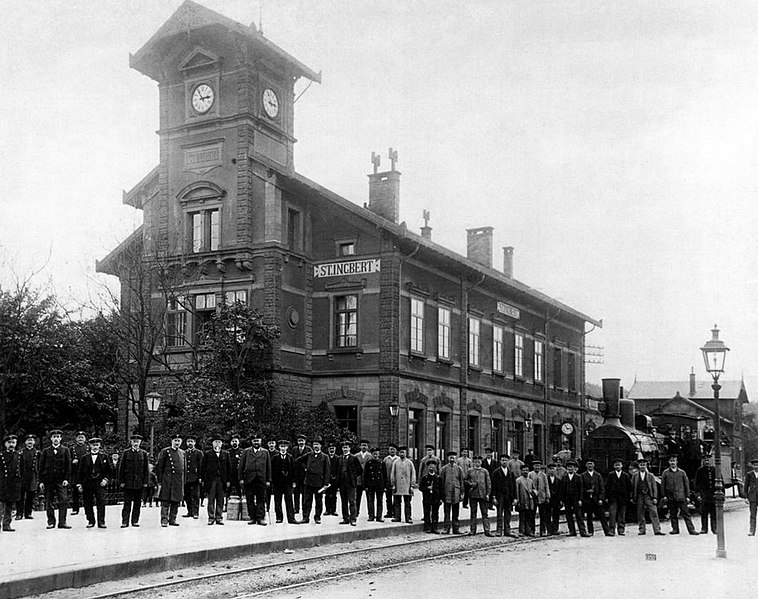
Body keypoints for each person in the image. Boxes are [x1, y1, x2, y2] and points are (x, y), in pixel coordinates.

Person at [38, 429, 72, 529]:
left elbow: (68, 466)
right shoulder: (45, 451)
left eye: (58, 437)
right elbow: (41, 467)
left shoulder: (65, 450)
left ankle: (62, 522)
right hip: (48, 480)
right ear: (51, 438)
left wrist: (66, 479)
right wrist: (41, 481)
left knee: (64, 500)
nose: (56, 439)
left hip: (61, 480)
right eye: (54, 437)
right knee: (49, 501)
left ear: (61, 438)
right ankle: (51, 522)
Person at [77, 437, 112, 529]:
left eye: (97, 445)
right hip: (87, 483)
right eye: (93, 445)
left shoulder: (104, 456)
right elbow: (80, 472)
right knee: (87, 503)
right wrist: (79, 484)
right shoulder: (84, 458)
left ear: (99, 445)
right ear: (90, 446)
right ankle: (90, 521)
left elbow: (110, 470)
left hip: (100, 484)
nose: (95, 447)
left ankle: (101, 522)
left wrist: (105, 479)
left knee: (101, 502)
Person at [661, 455, 699, 535]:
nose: (672, 463)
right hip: (671, 497)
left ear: (677, 462)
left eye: (674, 461)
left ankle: (691, 530)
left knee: (686, 514)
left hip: (681, 497)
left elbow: (686, 485)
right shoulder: (665, 473)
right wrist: (664, 495)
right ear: (669, 462)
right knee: (673, 514)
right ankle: (675, 529)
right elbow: (663, 485)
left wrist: (688, 496)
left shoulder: (682, 473)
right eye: (671, 461)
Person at [239, 433, 271, 526]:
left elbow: (268, 467)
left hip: (261, 479)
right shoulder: (246, 452)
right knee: (250, 499)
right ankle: (252, 517)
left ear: (261, 441)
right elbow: (241, 466)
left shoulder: (265, 452)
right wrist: (241, 478)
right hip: (249, 479)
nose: (256, 442)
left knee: (261, 499)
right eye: (254, 441)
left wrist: (268, 480)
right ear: (251, 442)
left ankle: (260, 518)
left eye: (258, 440)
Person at [118, 433, 149, 528]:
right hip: (128, 482)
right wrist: (122, 481)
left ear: (140, 443)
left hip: (139, 482)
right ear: (131, 442)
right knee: (127, 503)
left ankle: (135, 520)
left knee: (137, 503)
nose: (136, 443)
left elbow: (145, 469)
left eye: (137, 442)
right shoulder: (126, 453)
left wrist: (145, 482)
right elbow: (121, 468)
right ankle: (125, 521)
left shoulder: (143, 454)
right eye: (134, 442)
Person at [200, 434, 232, 525]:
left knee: (220, 499)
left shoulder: (226, 454)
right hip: (211, 480)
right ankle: (211, 517)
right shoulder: (207, 454)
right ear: (212, 443)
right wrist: (202, 479)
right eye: (215, 442)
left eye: (219, 442)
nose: (217, 443)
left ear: (221, 444)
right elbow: (203, 467)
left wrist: (228, 480)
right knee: (211, 499)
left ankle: (219, 517)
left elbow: (229, 469)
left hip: (222, 480)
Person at [155, 434, 185, 527]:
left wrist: (184, 481)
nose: (177, 443)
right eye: (175, 440)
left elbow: (184, 468)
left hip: (178, 480)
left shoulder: (182, 453)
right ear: (172, 441)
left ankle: (173, 519)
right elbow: (159, 467)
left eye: (178, 441)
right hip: (167, 480)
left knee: (176, 500)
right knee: (165, 500)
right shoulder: (165, 451)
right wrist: (160, 480)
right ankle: (164, 519)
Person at [299, 436, 330, 524]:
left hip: (319, 483)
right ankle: (305, 517)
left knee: (319, 501)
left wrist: (326, 483)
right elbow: (298, 461)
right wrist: (305, 468)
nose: (316, 446)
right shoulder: (309, 455)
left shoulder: (325, 457)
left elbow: (327, 471)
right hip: (309, 482)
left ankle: (317, 517)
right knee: (307, 501)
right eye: (314, 444)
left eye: (318, 444)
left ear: (321, 446)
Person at [631, 458, 664, 536]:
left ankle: (657, 530)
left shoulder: (650, 475)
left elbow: (654, 487)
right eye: (641, 465)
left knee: (654, 512)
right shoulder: (635, 476)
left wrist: (655, 497)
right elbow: (632, 487)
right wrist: (632, 497)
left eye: (644, 465)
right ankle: (642, 529)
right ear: (638, 466)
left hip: (649, 496)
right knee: (640, 513)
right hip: (639, 496)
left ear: (646, 466)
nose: (642, 466)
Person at [580, 458, 610, 536]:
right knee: (589, 516)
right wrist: (587, 491)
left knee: (602, 516)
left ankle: (607, 531)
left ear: (594, 465)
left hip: (597, 499)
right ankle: (590, 531)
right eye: (588, 464)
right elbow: (581, 488)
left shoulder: (598, 475)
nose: (590, 465)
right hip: (588, 499)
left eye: (591, 464)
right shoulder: (583, 476)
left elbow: (602, 488)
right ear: (586, 465)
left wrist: (601, 498)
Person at [491, 454, 517, 537]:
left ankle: (507, 530)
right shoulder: (496, 472)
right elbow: (493, 486)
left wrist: (515, 498)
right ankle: (499, 530)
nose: (504, 462)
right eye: (502, 460)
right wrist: (494, 497)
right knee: (499, 513)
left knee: (508, 513)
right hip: (500, 496)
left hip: (508, 496)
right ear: (500, 461)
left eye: (506, 460)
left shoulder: (511, 473)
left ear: (508, 461)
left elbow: (514, 486)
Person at [271, 439, 297, 524]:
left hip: (288, 483)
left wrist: (293, 482)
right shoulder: (275, 458)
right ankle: (279, 517)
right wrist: (273, 482)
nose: (283, 448)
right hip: (278, 483)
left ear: (287, 447)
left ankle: (291, 518)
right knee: (277, 501)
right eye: (281, 446)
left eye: (284, 447)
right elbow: (272, 471)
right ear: (278, 447)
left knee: (289, 500)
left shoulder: (290, 457)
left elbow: (294, 471)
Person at [336, 440, 361, 525]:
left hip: (351, 484)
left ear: (349, 448)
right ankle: (345, 518)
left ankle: (353, 519)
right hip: (342, 484)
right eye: (343, 448)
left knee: (352, 501)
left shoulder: (353, 458)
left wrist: (353, 477)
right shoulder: (339, 458)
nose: (345, 449)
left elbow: (360, 470)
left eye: (346, 447)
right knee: (344, 502)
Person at [466, 455, 492, 536]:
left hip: (483, 495)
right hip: (473, 495)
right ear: (473, 462)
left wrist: (488, 494)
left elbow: (488, 483)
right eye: (475, 462)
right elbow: (465, 481)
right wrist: (470, 484)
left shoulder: (485, 471)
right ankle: (472, 530)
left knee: (485, 513)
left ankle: (487, 530)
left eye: (479, 462)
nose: (477, 463)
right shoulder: (470, 471)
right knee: (473, 513)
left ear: (481, 462)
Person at [605, 458, 631, 536]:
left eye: (619, 465)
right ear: (614, 466)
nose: (617, 466)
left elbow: (629, 487)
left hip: (623, 498)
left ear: (622, 466)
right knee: (612, 514)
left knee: (622, 514)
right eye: (616, 465)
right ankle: (612, 530)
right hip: (613, 498)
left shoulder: (626, 475)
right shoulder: (611, 475)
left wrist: (628, 497)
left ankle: (621, 529)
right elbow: (607, 487)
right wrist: (606, 497)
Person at [562, 459, 589, 537]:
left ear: (574, 468)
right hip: (567, 499)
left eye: (572, 467)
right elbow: (562, 489)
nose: (570, 469)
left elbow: (581, 489)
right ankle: (572, 531)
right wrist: (562, 500)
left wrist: (580, 499)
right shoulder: (564, 477)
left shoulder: (578, 477)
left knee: (579, 515)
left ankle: (582, 531)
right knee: (568, 515)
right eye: (569, 467)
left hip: (576, 499)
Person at [439, 451, 464, 534]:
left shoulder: (459, 469)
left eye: (453, 457)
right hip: (447, 493)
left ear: (456, 458)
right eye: (450, 457)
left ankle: (456, 528)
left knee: (456, 512)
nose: (452, 459)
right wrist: (441, 494)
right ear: (448, 458)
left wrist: (462, 493)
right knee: (447, 512)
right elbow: (441, 482)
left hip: (456, 493)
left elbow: (461, 482)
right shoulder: (444, 469)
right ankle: (446, 528)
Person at [16, 434, 39, 520]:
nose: (30, 442)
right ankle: (19, 513)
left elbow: (39, 465)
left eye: (31, 440)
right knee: (20, 496)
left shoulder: (37, 452)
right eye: (28, 440)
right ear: (25, 442)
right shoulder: (20, 452)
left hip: (32, 476)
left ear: (34, 442)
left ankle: (28, 513)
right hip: (22, 476)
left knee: (30, 495)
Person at [0, 434, 21, 532]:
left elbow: (22, 469)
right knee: (1, 505)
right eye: (9, 443)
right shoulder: (1, 456)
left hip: (13, 483)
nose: (11, 444)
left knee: (9, 505)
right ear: (5, 444)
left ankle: (6, 524)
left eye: (13, 442)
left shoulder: (18, 455)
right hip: (3, 483)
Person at [391, 445, 416, 523]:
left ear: (406, 453)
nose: (402, 454)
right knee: (397, 503)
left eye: (403, 452)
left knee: (407, 503)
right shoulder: (395, 462)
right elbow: (392, 474)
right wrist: (393, 484)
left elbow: (413, 474)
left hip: (407, 485)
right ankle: (397, 517)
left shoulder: (409, 463)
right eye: (400, 452)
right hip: (398, 485)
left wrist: (412, 485)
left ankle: (408, 517)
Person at [694, 455, 717, 534]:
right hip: (704, 495)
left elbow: (721, 482)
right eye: (705, 460)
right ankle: (704, 528)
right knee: (704, 512)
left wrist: (721, 495)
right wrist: (698, 495)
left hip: (713, 495)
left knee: (714, 512)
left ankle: (714, 528)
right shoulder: (700, 471)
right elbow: (697, 484)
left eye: (708, 460)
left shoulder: (715, 470)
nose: (707, 462)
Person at [528, 460, 550, 536]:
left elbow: (546, 486)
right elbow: (528, 485)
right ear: (533, 466)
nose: (537, 467)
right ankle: (532, 530)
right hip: (533, 498)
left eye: (538, 465)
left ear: (540, 467)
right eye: (535, 465)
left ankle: (543, 530)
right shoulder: (530, 474)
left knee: (543, 515)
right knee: (532, 515)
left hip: (542, 497)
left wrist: (547, 497)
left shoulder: (543, 475)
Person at [291, 434, 312, 515]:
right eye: (299, 441)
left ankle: (304, 507)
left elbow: (309, 461)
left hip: (305, 474)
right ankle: (296, 508)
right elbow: (293, 461)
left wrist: (306, 468)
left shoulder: (308, 449)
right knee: (296, 492)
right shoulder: (294, 449)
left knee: (305, 492)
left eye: (302, 441)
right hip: (296, 474)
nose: (300, 442)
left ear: (305, 441)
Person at [419, 461, 442, 533]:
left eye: (433, 466)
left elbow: (441, 489)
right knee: (427, 513)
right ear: (427, 468)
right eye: (430, 467)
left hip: (436, 498)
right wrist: (426, 488)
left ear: (435, 468)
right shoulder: (425, 478)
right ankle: (427, 527)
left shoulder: (438, 478)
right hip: (427, 498)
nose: (431, 468)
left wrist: (441, 498)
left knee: (435, 513)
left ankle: (435, 527)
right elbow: (420, 488)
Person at [363, 448, 385, 522]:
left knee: (380, 501)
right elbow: (365, 475)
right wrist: (365, 485)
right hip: (371, 485)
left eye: (377, 454)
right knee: (370, 501)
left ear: (379, 454)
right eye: (374, 454)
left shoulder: (382, 463)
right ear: (371, 454)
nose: (375, 455)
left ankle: (379, 516)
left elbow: (384, 475)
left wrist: (384, 486)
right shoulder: (368, 463)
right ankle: (371, 516)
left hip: (379, 485)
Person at [183, 436, 202, 519]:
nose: (190, 443)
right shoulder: (184, 453)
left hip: (195, 477)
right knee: (187, 495)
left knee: (195, 495)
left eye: (192, 441)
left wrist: (200, 477)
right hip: (186, 478)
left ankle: (195, 512)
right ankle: (189, 511)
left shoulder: (199, 453)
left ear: (195, 443)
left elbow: (201, 466)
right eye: (188, 441)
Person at [69, 431, 88, 515]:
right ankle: (75, 509)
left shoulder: (88, 448)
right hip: (75, 473)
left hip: (85, 473)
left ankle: (87, 508)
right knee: (75, 493)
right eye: (79, 437)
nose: (80, 439)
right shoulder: (72, 449)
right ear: (76, 439)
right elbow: (67, 460)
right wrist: (72, 462)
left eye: (82, 437)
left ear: (85, 439)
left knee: (86, 492)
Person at [516, 464, 537, 537]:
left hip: (529, 501)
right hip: (522, 501)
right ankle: (521, 531)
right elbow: (517, 492)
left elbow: (535, 490)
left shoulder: (530, 481)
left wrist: (533, 492)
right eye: (524, 470)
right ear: (521, 471)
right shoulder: (518, 480)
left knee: (529, 517)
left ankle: (528, 531)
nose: (525, 472)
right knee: (522, 517)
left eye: (526, 470)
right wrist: (518, 501)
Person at [355, 439, 372, 517]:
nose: (364, 447)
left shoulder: (370, 456)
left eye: (365, 445)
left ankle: (370, 514)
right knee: (357, 497)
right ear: (360, 446)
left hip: (367, 480)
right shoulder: (356, 456)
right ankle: (356, 512)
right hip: (358, 480)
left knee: (369, 498)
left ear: (368, 447)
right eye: (362, 445)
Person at [382, 443, 399, 518]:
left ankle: (395, 512)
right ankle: (389, 512)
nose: (392, 451)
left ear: (396, 451)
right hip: (388, 482)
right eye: (390, 449)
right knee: (388, 498)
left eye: (393, 449)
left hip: (396, 482)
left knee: (396, 498)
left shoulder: (398, 459)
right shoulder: (386, 459)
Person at [546, 462, 563, 534]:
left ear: (556, 470)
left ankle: (555, 529)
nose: (552, 470)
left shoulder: (558, 480)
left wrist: (560, 500)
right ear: (548, 470)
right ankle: (549, 530)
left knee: (556, 515)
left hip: (556, 499)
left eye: (553, 469)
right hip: (548, 499)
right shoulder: (546, 479)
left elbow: (560, 491)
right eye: (551, 469)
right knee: (548, 514)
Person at [324, 442, 340, 517]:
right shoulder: (325, 457)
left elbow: (338, 469)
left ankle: (333, 510)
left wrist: (336, 477)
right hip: (327, 479)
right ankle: (327, 510)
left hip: (335, 480)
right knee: (327, 495)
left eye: (333, 449)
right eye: (330, 449)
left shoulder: (338, 458)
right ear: (328, 449)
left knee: (334, 495)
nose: (331, 450)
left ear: (335, 449)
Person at [227, 434, 243, 501]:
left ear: (238, 442)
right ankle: (227, 505)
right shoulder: (227, 452)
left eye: (236, 441)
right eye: (233, 441)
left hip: (238, 474)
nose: (234, 443)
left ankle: (241, 504)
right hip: (230, 474)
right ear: (231, 443)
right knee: (228, 490)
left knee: (240, 489)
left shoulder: (242, 452)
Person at [745, 457, 758, 536]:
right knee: (753, 515)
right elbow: (746, 487)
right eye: (755, 465)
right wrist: (746, 497)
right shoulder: (749, 474)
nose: (756, 467)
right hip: (752, 497)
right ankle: (752, 531)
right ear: (752, 466)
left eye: (757, 465)